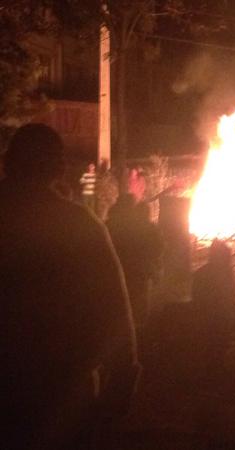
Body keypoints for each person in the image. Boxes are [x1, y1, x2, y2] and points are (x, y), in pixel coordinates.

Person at [0, 124, 140, 450]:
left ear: (8, 161)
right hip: (61, 392)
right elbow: (113, 307)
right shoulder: (78, 225)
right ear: (58, 167)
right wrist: (122, 378)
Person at [192, 240, 235, 374]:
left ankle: (212, 361)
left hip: (202, 315)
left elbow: (195, 298)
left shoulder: (199, 273)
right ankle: (218, 363)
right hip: (221, 316)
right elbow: (234, 299)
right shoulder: (225, 274)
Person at [106, 195, 163, 330]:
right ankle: (138, 331)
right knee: (139, 302)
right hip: (137, 271)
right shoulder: (136, 227)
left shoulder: (111, 224)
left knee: (122, 303)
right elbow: (157, 248)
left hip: (118, 271)